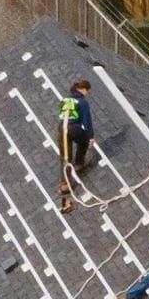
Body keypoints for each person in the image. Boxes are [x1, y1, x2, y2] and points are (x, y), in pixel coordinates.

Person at [58, 77, 94, 209]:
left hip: (62, 128)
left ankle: (64, 184)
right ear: (82, 89)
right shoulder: (82, 102)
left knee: (65, 157)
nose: (87, 93)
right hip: (74, 128)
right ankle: (79, 163)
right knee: (83, 141)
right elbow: (86, 120)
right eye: (87, 90)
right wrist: (90, 136)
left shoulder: (65, 100)